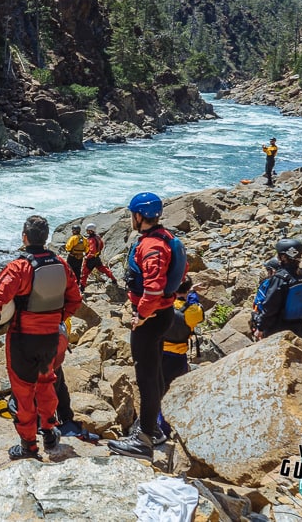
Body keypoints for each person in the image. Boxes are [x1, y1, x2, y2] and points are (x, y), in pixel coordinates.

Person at [0, 215, 83, 460]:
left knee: (24, 393)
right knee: (46, 385)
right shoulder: (61, 264)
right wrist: (56, 317)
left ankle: (28, 447)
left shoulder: (19, 267)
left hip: (23, 340)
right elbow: (75, 300)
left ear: (24, 237)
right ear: (45, 238)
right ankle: (49, 432)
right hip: (51, 339)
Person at [107, 192, 185, 461]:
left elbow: (153, 289)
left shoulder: (151, 246)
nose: (131, 218)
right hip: (163, 315)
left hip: (151, 319)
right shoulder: (166, 237)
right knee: (154, 373)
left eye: (132, 214)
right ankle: (153, 430)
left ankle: (145, 439)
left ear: (139, 216)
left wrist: (140, 315)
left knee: (147, 378)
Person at [157, 278, 204, 439]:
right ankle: (166, 427)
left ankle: (155, 427)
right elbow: (197, 309)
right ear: (187, 289)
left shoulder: (163, 306)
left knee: (157, 391)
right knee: (173, 393)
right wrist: (192, 293)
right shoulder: (193, 312)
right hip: (178, 357)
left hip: (159, 353)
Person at [252, 239, 302, 339]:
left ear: (283, 257)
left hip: (278, 328)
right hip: (299, 326)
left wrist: (260, 327)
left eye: (279, 255)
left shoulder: (280, 278)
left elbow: (270, 307)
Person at [81, 223, 119, 290]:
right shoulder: (97, 237)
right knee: (103, 269)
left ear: (90, 231)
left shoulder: (91, 239)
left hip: (90, 259)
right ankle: (113, 279)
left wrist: (87, 257)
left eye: (87, 230)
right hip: (96, 258)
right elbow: (101, 245)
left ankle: (82, 288)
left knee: (84, 273)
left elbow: (92, 250)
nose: (86, 231)